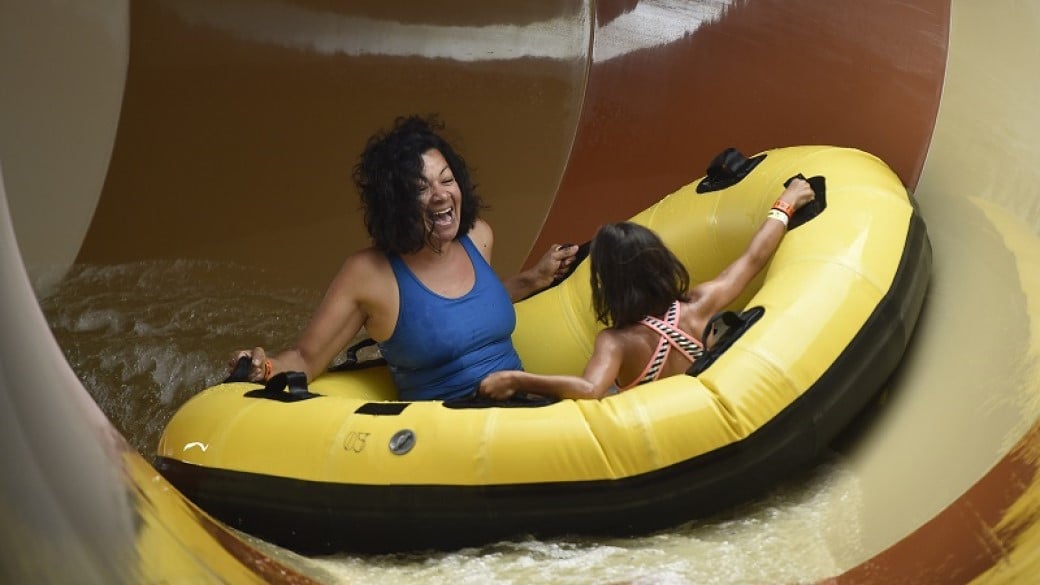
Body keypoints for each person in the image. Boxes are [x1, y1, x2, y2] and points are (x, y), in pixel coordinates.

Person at [230, 115, 579, 401]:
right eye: (421, 188)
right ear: (395, 203)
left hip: (526, 411)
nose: (441, 195)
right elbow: (307, 358)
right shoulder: (369, 274)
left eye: (447, 180)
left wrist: (531, 280)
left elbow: (469, 311)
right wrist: (264, 368)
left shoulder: (478, 237)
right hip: (447, 433)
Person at [477, 178, 816, 401]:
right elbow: (754, 258)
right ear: (661, 265)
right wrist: (786, 203)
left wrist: (518, 380)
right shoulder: (699, 304)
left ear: (606, 286)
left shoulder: (616, 342)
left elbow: (589, 389)